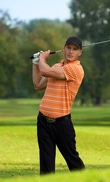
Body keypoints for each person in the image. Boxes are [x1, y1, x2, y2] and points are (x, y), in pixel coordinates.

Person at [32, 36, 85, 174]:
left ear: (80, 52)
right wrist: (35, 61)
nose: (71, 51)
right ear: (63, 49)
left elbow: (44, 70)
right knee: (46, 163)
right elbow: (38, 84)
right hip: (43, 121)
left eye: (75, 49)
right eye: (68, 48)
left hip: (62, 124)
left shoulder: (76, 69)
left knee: (73, 161)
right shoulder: (56, 67)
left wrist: (42, 60)